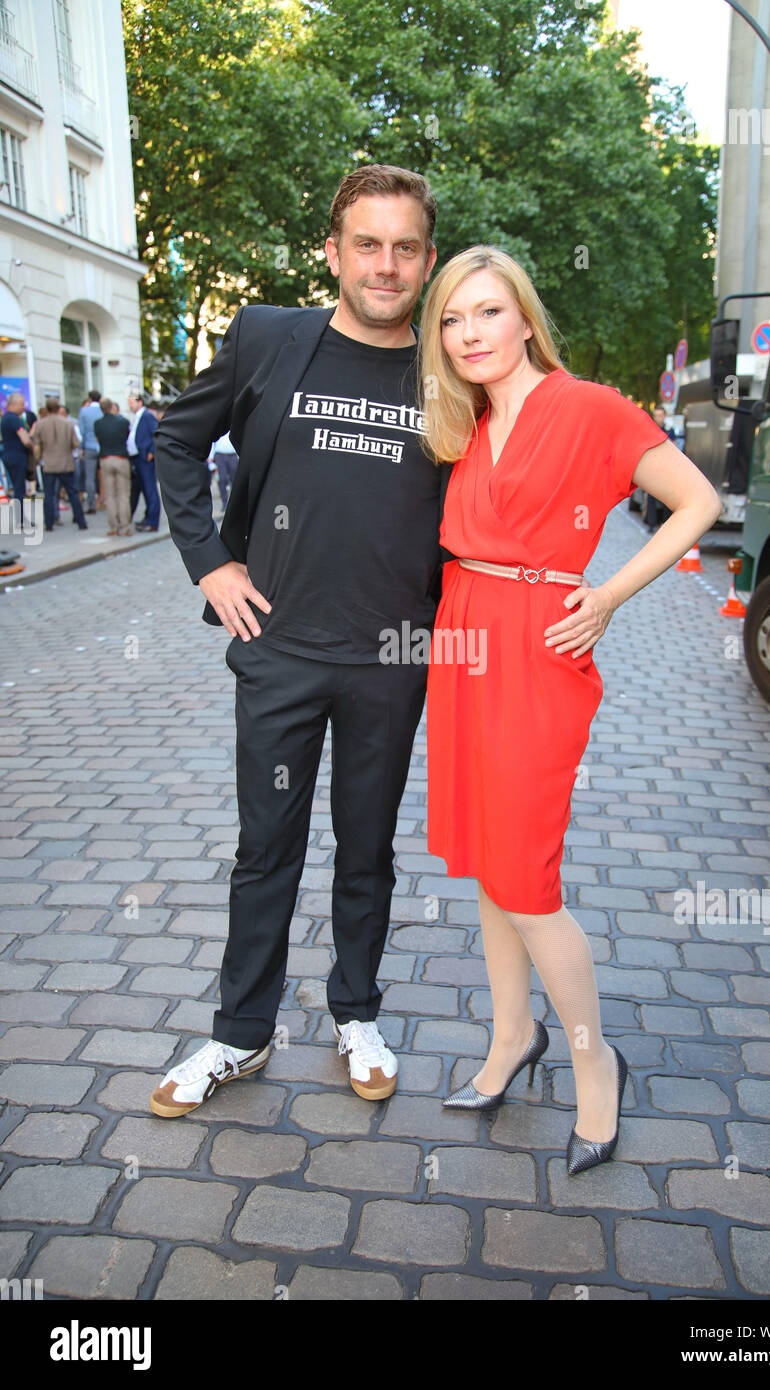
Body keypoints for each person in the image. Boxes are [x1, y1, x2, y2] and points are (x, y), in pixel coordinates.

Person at [150, 164, 452, 1118]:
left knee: (367, 848)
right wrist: (210, 562)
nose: (386, 264)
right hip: (280, 647)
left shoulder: (451, 368)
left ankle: (356, 1014)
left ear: (428, 259)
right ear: (334, 252)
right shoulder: (267, 339)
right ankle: (241, 1033)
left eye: (405, 246)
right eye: (368, 243)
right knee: (265, 847)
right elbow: (174, 442)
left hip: (394, 656)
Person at [420, 246, 721, 1174]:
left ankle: (598, 1068)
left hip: (541, 649)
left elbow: (697, 502)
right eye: (452, 319)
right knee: (483, 861)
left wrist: (606, 596)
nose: (470, 333)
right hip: (463, 638)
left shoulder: (590, 407)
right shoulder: (464, 424)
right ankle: (512, 1039)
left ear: (524, 319)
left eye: (487, 313)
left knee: (527, 876)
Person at [29, 396, 88, 532]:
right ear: (58, 408)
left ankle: (49, 523)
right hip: (66, 463)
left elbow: (36, 444)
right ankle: (81, 521)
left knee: (49, 494)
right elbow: (75, 443)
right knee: (73, 493)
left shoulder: (40, 424)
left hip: (48, 463)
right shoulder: (68, 424)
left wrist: (38, 459)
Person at [93, 397, 133, 535]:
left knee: (110, 495)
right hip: (121, 458)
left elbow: (98, 439)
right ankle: (125, 526)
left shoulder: (98, 424)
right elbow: (127, 436)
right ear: (111, 407)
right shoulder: (122, 422)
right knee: (123, 494)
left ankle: (113, 526)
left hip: (105, 458)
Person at [127, 391, 160, 530]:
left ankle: (152, 522)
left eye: (132, 402)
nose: (130, 405)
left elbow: (156, 433)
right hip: (137, 458)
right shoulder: (137, 417)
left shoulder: (146, 416)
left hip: (144, 458)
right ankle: (147, 518)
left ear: (140, 402)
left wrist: (151, 452)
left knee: (150, 490)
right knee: (143, 490)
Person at [643, 406, 677, 530]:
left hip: (666, 467)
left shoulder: (669, 430)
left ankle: (665, 524)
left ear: (664, 416)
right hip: (652, 467)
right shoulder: (650, 428)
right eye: (656, 415)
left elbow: (674, 447)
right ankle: (651, 524)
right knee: (651, 497)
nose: (659, 417)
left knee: (667, 497)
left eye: (661, 415)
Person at [1, 392, 32, 508]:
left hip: (8, 455)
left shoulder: (5, 418)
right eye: (22, 404)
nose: (24, 407)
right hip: (17, 457)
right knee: (20, 489)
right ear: (13, 404)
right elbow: (25, 440)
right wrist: (32, 444)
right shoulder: (15, 419)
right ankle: (21, 520)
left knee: (17, 487)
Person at [78, 389, 103, 514]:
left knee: (90, 477)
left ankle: (92, 504)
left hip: (89, 446)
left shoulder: (84, 411)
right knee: (104, 476)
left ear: (89, 398)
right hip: (103, 447)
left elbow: (81, 431)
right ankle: (103, 500)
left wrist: (82, 447)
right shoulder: (104, 410)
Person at [208, 430, 239, 511]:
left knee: (235, 480)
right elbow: (212, 441)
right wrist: (210, 457)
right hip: (220, 455)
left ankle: (237, 503)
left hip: (232, 455)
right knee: (222, 479)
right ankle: (225, 503)